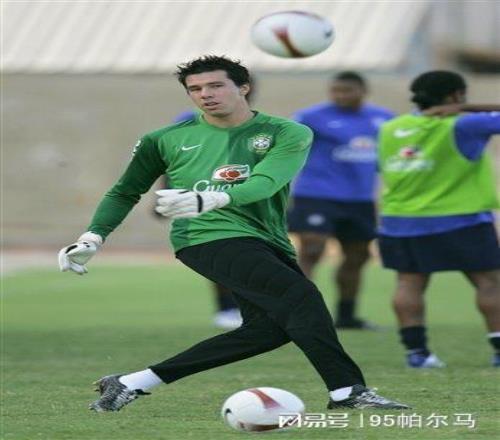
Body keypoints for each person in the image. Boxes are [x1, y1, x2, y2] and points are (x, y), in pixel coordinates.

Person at [58, 56, 408, 412]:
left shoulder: (289, 132)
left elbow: (266, 182)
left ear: (243, 87)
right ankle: (347, 391)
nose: (205, 94)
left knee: (270, 330)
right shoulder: (163, 139)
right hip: (203, 238)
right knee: (302, 297)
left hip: (267, 238)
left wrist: (212, 197)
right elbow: (124, 192)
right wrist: (92, 238)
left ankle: (133, 382)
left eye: (215, 85)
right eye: (195, 89)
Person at [377, 70, 500, 368]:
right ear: (455, 95)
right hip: (460, 219)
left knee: (408, 282)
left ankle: (417, 354)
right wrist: (467, 108)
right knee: (489, 282)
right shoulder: (465, 123)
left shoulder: (391, 127)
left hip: (399, 219)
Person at [288, 71, 395, 329]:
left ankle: (347, 316)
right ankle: (299, 314)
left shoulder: (383, 118)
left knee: (358, 256)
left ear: (363, 91)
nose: (340, 96)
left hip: (359, 199)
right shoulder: (310, 117)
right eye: (335, 91)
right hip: (316, 194)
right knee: (312, 250)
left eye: (346, 90)